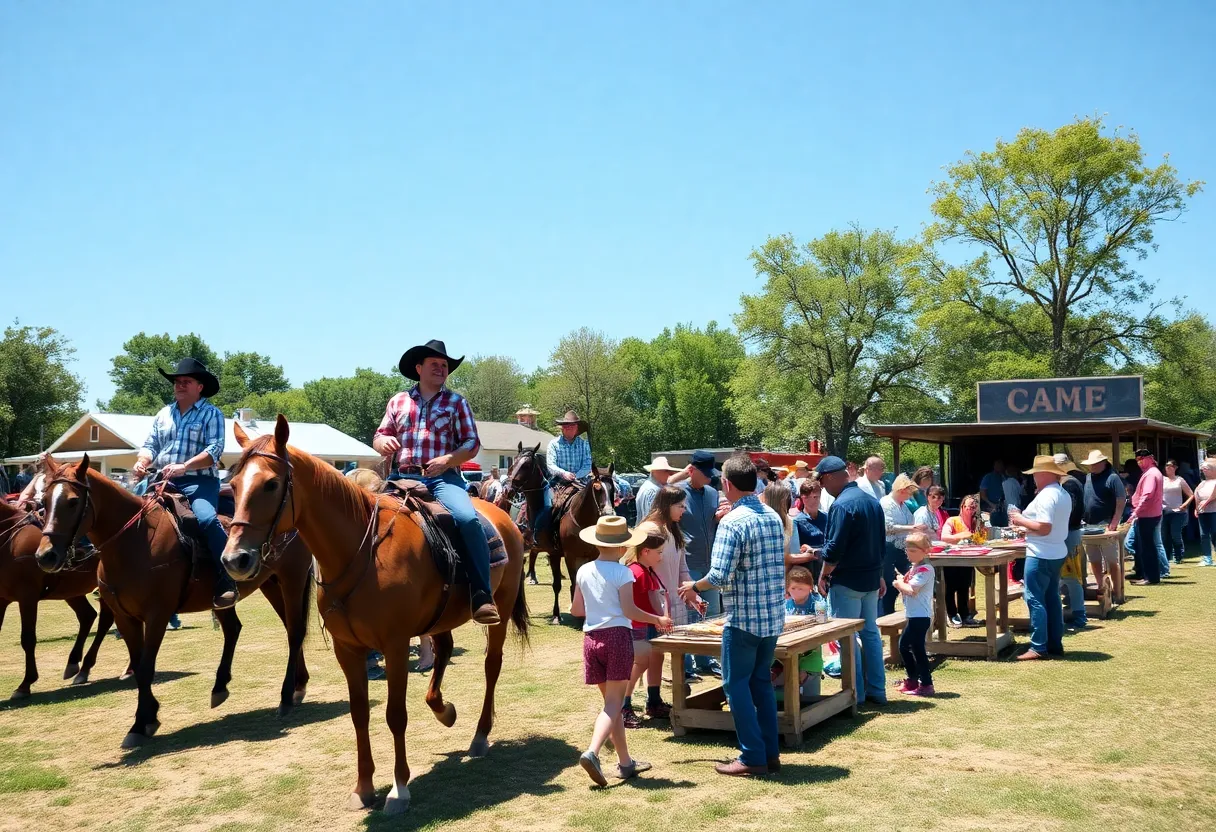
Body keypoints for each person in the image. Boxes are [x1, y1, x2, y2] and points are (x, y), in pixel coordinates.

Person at [372, 339, 499, 625]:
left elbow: (472, 443)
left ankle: (481, 593)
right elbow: (380, 435)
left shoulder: (456, 402)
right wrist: (384, 442)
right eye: (435, 364)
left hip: (442, 479)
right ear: (419, 368)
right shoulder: (398, 401)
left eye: (444, 366)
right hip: (401, 477)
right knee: (363, 515)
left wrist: (448, 460)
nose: (441, 369)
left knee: (467, 519)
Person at [678, 454, 786, 777]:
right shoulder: (772, 515)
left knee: (735, 685)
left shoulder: (732, 522)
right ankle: (769, 753)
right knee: (761, 684)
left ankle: (753, 755)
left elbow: (720, 576)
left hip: (743, 620)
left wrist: (693, 585)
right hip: (771, 619)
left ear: (726, 484)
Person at [130, 358, 236, 609]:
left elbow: (215, 450)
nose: (180, 385)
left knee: (207, 519)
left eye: (186, 382)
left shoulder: (212, 413)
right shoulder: (163, 414)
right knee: (125, 515)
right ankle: (118, 575)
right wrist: (142, 461)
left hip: (199, 481)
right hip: (161, 480)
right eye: (177, 382)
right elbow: (150, 445)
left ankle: (227, 579)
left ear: (200, 386)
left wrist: (185, 466)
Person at [571, 516, 669, 785]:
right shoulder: (623, 572)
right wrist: (657, 619)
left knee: (610, 706)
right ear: (623, 546)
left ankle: (625, 763)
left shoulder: (583, 570)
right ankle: (592, 752)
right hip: (617, 637)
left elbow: (576, 611)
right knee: (614, 704)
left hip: (591, 639)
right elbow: (629, 611)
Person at [814, 456, 887, 705]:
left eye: (823, 481)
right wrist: (879, 574)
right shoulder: (872, 501)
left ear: (832, 477)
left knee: (848, 637)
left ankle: (856, 693)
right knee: (870, 635)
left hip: (848, 581)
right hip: (870, 579)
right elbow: (880, 542)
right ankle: (877, 689)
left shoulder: (842, 505)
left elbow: (834, 549)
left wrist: (823, 573)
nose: (822, 487)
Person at [1009, 456, 1072, 660]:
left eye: (1036, 473)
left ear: (1045, 474)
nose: (1034, 477)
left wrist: (1020, 520)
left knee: (1035, 599)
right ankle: (1054, 643)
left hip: (1041, 553)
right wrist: (1026, 528)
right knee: (1052, 598)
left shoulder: (1046, 496)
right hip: (1056, 552)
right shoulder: (1062, 494)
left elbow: (1044, 527)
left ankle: (1038, 646)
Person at [673, 450, 723, 679]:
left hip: (710, 562)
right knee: (689, 613)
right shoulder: (677, 493)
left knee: (711, 613)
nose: (709, 478)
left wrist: (718, 518)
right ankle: (687, 665)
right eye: (704, 473)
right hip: (688, 562)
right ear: (691, 471)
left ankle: (706, 659)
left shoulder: (713, 493)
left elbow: (711, 521)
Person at [620, 528, 674, 727]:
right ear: (645, 551)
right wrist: (659, 619)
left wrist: (661, 618)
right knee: (638, 665)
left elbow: (653, 597)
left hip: (646, 624)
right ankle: (623, 707)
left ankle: (647, 702)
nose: (661, 557)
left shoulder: (643, 570)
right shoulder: (638, 572)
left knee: (645, 663)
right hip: (638, 626)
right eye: (658, 552)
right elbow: (643, 602)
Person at [533, 410, 594, 547]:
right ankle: (541, 535)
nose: (568, 428)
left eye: (571, 426)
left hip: (581, 481)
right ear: (562, 428)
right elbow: (551, 465)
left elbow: (587, 464)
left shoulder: (584, 444)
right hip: (558, 482)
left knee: (599, 502)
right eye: (565, 426)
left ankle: (602, 536)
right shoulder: (554, 444)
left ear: (577, 428)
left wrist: (576, 475)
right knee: (549, 506)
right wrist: (564, 473)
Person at [771, 566, 823, 704]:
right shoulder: (786, 603)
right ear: (787, 588)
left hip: (809, 648)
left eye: (801, 589)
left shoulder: (817, 603)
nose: (796, 592)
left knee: (808, 668)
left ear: (810, 588)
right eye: (793, 588)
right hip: (786, 645)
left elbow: (822, 622)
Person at [892, 533, 935, 696]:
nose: (909, 554)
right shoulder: (915, 567)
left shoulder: (926, 568)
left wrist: (899, 583)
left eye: (913, 551)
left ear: (924, 551)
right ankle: (914, 681)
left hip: (920, 616)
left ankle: (924, 683)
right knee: (913, 648)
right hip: (914, 615)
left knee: (907, 647)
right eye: (907, 551)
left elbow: (912, 590)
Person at [879, 474, 926, 616]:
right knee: (889, 582)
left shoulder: (903, 505)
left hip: (902, 549)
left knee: (911, 575)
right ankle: (887, 614)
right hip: (888, 548)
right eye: (909, 492)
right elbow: (887, 527)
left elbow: (910, 522)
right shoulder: (886, 503)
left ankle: (913, 611)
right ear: (901, 490)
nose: (910, 495)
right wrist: (911, 528)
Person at [1081, 450, 1126, 591]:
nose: (1092, 467)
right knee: (1093, 559)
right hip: (1089, 525)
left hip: (1106, 525)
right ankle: (1101, 587)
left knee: (1112, 560)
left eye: (1095, 464)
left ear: (1103, 463)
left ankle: (1116, 591)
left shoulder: (1113, 478)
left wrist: (1114, 523)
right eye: (1091, 464)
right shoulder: (1088, 477)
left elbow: (1121, 501)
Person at [1053, 453, 1087, 631]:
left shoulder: (1069, 483)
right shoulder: (1069, 482)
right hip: (1068, 532)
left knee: (1071, 575)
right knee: (1066, 576)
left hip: (1069, 533)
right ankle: (1075, 614)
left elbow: (1070, 510)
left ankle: (1079, 616)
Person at [940, 495, 986, 626]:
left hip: (968, 559)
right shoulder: (952, 520)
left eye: (974, 507)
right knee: (950, 588)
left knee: (964, 588)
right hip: (952, 559)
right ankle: (952, 614)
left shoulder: (976, 522)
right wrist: (961, 535)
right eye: (969, 507)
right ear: (962, 507)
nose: (971, 510)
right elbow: (944, 537)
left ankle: (965, 615)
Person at [1127, 449, 1165, 586]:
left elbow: (1147, 495)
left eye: (1141, 459)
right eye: (1137, 460)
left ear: (1148, 458)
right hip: (1150, 514)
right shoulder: (1153, 472)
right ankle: (1148, 575)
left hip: (1147, 515)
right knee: (1147, 546)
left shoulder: (1151, 474)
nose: (1139, 463)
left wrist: (1136, 512)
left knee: (1147, 547)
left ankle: (1150, 577)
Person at [790, 479, 828, 580]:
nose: (813, 501)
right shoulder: (797, 521)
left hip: (828, 568)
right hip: (808, 570)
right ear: (802, 498)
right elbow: (795, 550)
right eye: (807, 497)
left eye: (816, 497)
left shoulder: (827, 517)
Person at [1161, 460, 1193, 565]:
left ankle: (1178, 556)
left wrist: (1185, 504)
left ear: (1175, 467)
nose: (1169, 468)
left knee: (1175, 534)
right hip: (1164, 510)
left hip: (1177, 511)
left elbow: (1191, 494)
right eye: (1167, 466)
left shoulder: (1179, 480)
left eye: (1171, 466)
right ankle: (1167, 556)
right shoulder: (1162, 479)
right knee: (1164, 535)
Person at [634, 456, 679, 524]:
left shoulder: (652, 486)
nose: (671, 473)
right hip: (652, 532)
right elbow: (652, 519)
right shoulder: (653, 491)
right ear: (655, 471)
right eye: (666, 471)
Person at [1194, 459, 1216, 567]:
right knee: (1204, 535)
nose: (1204, 471)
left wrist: (1206, 502)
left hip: (1214, 511)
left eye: (1206, 469)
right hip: (1203, 512)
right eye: (1203, 469)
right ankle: (1207, 558)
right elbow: (1196, 495)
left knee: (1215, 533)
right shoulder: (1202, 483)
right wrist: (1196, 508)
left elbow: (1214, 495)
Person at [980, 460, 1008, 527]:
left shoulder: (1005, 477)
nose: (1000, 467)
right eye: (998, 465)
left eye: (1001, 465)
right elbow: (982, 494)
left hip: (1002, 506)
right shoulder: (988, 477)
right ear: (994, 466)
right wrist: (991, 504)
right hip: (989, 506)